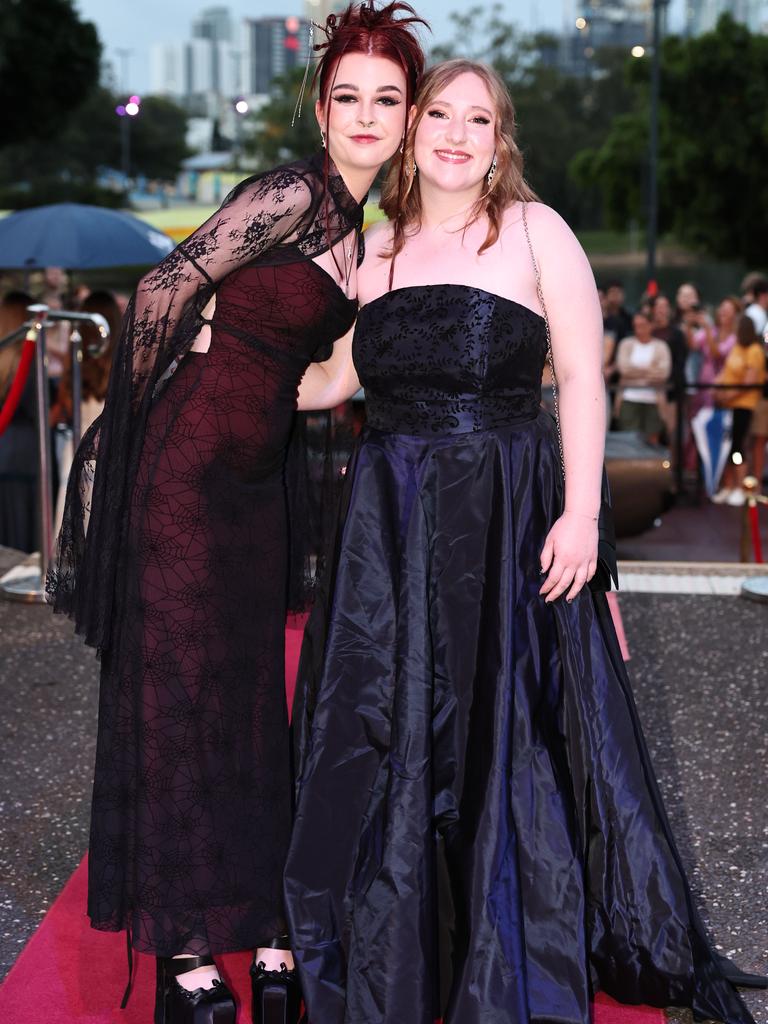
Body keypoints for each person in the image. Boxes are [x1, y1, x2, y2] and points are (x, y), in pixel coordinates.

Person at [284, 59, 760, 1024]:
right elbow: (329, 384)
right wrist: (203, 355)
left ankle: (504, 944)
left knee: (504, 729)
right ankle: (400, 937)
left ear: (502, 143)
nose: (457, 135)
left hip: (504, 514)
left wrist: (582, 514)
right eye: (441, 116)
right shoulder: (368, 250)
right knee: (389, 726)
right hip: (388, 524)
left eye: (481, 121)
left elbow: (582, 380)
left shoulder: (539, 233)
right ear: (412, 130)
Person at [46, 4, 427, 1023]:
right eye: (346, 96)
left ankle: (264, 922)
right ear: (320, 102)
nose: (364, 115)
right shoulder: (291, 194)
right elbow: (166, 286)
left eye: (385, 99)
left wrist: (285, 373)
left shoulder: (364, 226)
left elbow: (321, 376)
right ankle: (182, 956)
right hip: (179, 473)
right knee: (179, 700)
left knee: (255, 702)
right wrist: (124, 444)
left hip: (258, 488)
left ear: (408, 114)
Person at [711, 315, 766, 506]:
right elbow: (726, 372)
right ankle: (728, 484)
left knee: (738, 445)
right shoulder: (736, 348)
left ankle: (740, 486)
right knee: (727, 445)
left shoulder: (754, 351)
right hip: (728, 405)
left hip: (744, 405)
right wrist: (716, 387)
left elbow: (749, 382)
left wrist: (727, 395)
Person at [0, 291, 37, 552]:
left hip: (6, 448)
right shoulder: (27, 361)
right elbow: (40, 410)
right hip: (25, 453)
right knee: (22, 534)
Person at [614, 311, 672, 444]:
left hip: (653, 400)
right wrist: (650, 371)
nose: (638, 329)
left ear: (651, 325)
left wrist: (634, 374)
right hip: (629, 398)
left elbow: (663, 373)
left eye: (642, 325)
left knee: (652, 440)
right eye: (636, 325)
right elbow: (624, 369)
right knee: (628, 440)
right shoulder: (626, 344)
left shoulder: (661, 346)